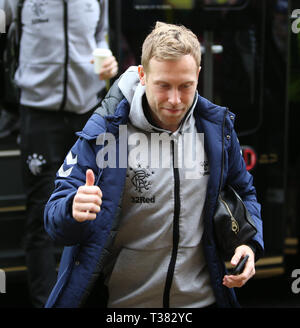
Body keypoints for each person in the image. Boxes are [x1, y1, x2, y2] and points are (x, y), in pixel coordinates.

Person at [44, 21, 263, 308]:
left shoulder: (215, 130)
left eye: (186, 86)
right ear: (143, 75)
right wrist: (73, 209)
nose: (174, 100)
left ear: (198, 74)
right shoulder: (106, 132)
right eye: (163, 86)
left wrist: (248, 244)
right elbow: (54, 220)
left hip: (202, 302)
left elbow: (244, 193)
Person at [0, 0, 118, 308]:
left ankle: (85, 299)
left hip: (87, 112)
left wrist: (108, 63)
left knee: (92, 208)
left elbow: (100, 38)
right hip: (38, 114)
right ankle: (44, 303)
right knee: (41, 213)